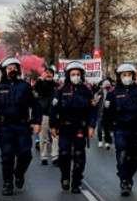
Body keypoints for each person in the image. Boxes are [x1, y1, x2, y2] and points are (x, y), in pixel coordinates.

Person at [0, 57, 42, 196]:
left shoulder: (25, 86)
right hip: (6, 127)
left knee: (26, 154)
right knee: (7, 156)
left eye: (15, 68)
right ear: (4, 71)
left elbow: (36, 105)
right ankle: (7, 182)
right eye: (9, 68)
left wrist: (37, 122)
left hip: (23, 126)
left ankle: (19, 174)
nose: (12, 71)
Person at [49, 61, 96, 193]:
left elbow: (92, 110)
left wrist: (91, 126)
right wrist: (53, 125)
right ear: (68, 75)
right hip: (64, 128)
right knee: (64, 155)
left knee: (79, 156)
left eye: (78, 74)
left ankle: (76, 182)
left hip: (80, 128)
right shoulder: (60, 90)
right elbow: (53, 109)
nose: (75, 76)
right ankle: (65, 177)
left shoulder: (86, 90)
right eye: (73, 74)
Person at [104, 63, 137, 196]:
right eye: (124, 75)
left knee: (136, 156)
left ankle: (129, 176)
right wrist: (106, 133)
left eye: (129, 75)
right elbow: (107, 114)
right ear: (120, 76)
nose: (127, 77)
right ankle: (124, 180)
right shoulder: (113, 93)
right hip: (121, 129)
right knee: (123, 154)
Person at [34, 66, 59, 166]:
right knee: (43, 137)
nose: (48, 74)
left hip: (54, 114)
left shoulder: (56, 86)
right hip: (43, 114)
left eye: (50, 73)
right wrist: (41, 79)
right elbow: (36, 89)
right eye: (47, 73)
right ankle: (44, 156)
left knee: (55, 136)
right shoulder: (40, 84)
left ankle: (55, 157)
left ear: (53, 75)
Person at [95, 79, 113, 149]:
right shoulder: (99, 93)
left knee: (106, 128)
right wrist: (97, 99)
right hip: (100, 112)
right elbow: (94, 102)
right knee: (99, 128)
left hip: (107, 114)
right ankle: (100, 141)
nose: (108, 86)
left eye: (109, 85)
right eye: (106, 85)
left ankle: (107, 142)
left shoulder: (111, 93)